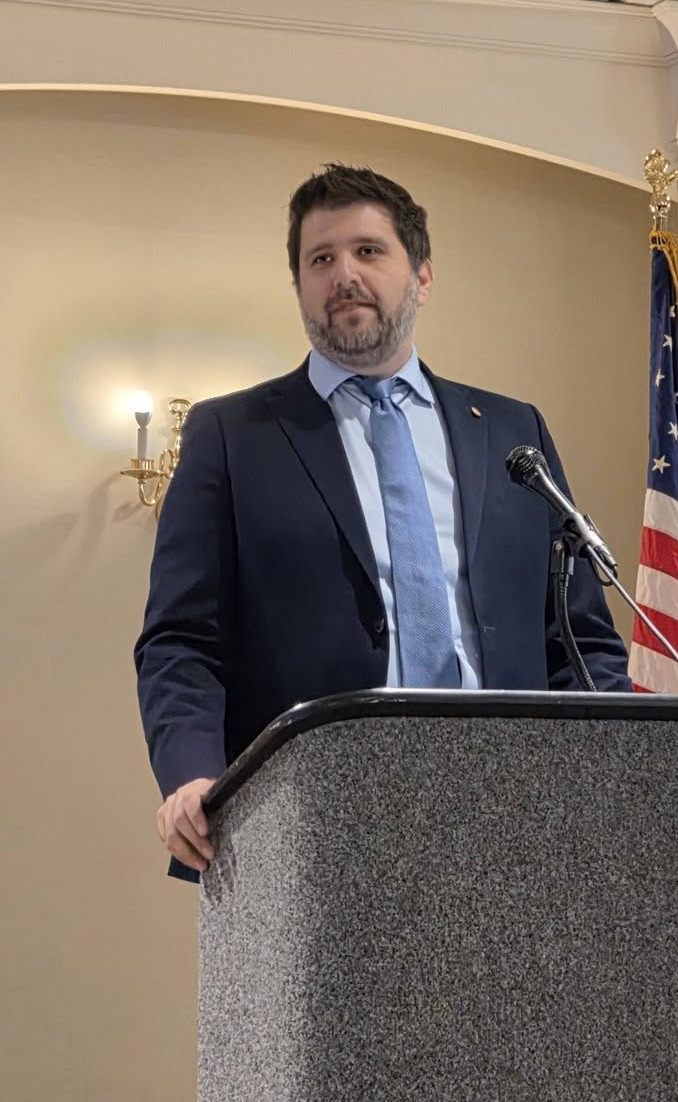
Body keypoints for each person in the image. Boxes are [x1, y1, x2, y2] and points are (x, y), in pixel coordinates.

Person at [135, 163, 631, 877]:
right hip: (312, 822)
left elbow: (579, 637)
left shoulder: (510, 431)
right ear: (299, 285)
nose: (344, 275)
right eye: (321, 259)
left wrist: (615, 774)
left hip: (518, 809)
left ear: (422, 276)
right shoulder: (233, 435)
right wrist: (192, 775)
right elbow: (182, 639)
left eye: (368, 251)